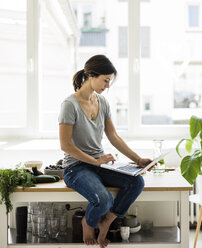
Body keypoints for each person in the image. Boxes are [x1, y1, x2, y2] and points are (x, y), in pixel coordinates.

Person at [58, 55, 153, 248]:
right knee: (103, 200)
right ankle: (88, 223)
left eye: (110, 81)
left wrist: (138, 159)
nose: (108, 85)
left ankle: (106, 221)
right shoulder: (70, 105)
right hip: (76, 168)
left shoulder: (103, 103)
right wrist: (94, 161)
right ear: (91, 76)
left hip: (99, 164)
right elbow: (66, 145)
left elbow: (114, 137)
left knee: (136, 182)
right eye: (106, 80)